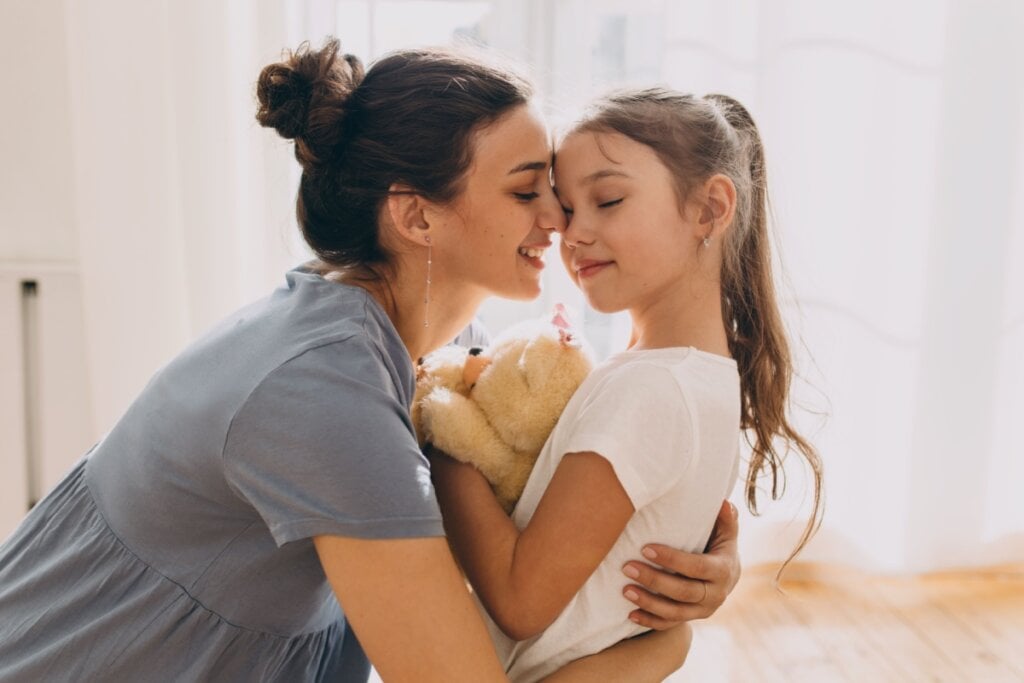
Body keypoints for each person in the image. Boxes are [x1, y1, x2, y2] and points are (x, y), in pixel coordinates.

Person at [0, 42, 741, 682]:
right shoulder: (324, 391)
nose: (559, 218)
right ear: (417, 215)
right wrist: (665, 642)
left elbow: (544, 505)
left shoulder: (414, 345)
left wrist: (711, 564)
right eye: (526, 190)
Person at [429, 88, 824, 681]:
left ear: (710, 209)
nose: (572, 233)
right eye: (567, 209)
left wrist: (440, 432)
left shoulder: (650, 390)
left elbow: (520, 602)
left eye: (608, 200)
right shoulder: (694, 376)